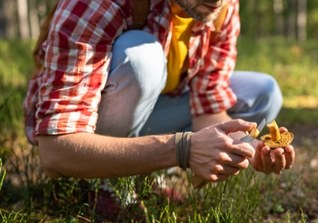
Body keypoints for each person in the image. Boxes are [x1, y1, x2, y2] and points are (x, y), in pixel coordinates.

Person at [23, 0, 295, 184]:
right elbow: (55, 152)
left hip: (151, 110)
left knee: (262, 92)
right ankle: (98, 186)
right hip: (87, 129)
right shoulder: (100, 3)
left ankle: (147, 173)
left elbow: (209, 109)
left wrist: (250, 148)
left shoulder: (220, 6)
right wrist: (182, 149)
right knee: (142, 57)